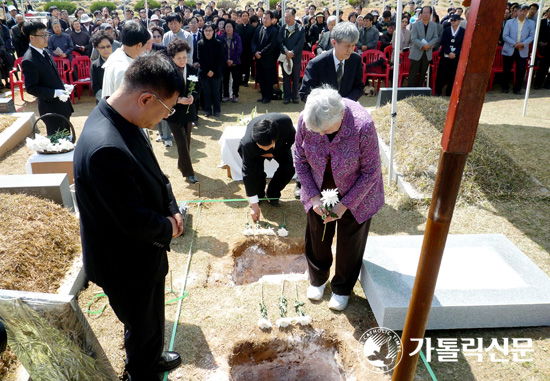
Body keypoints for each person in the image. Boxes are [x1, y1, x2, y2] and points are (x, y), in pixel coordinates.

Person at [73, 52, 184, 380]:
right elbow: (132, 219)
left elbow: (155, 174)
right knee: (141, 321)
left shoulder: (124, 118)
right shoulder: (106, 147)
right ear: (146, 98)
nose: (168, 116)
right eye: (168, 109)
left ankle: (151, 355)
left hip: (140, 254)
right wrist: (170, 227)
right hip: (125, 263)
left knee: (150, 322)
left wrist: (173, 209)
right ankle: (141, 371)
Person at [294, 86, 384, 311]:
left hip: (357, 187)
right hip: (319, 182)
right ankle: (318, 278)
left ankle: (342, 288)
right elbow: (299, 158)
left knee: (350, 239)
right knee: (317, 232)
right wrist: (314, 197)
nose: (322, 135)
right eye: (317, 131)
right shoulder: (306, 120)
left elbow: (371, 171)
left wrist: (345, 205)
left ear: (341, 115)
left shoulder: (362, 125)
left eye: (326, 130)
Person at [238, 113, 296, 220]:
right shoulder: (248, 145)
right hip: (254, 151)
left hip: (279, 148)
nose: (265, 149)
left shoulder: (285, 123)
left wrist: (275, 152)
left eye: (268, 146)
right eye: (262, 147)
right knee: (256, 172)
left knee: (288, 168)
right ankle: (259, 195)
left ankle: (273, 193)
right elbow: (248, 173)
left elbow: (292, 138)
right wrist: (254, 204)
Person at [22, 21, 73, 136]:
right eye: (42, 35)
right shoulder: (29, 60)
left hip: (62, 107)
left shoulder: (45, 52)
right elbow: (31, 88)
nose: (46, 38)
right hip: (51, 108)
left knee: (67, 139)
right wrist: (55, 93)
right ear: (32, 37)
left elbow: (51, 75)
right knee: (58, 143)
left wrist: (62, 86)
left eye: (47, 35)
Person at [300, 21, 364, 102]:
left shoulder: (355, 60)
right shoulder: (317, 64)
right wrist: (329, 105)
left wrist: (345, 102)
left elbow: (359, 87)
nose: (351, 50)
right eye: (347, 46)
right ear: (334, 42)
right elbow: (305, 93)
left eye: (353, 45)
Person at [165, 39, 199, 183]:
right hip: (173, 113)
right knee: (181, 143)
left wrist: (193, 97)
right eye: (178, 58)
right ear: (172, 58)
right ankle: (189, 172)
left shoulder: (191, 69)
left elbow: (198, 87)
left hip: (189, 112)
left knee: (187, 141)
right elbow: (164, 93)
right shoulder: (167, 72)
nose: (182, 60)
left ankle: (182, 164)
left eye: (184, 57)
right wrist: (179, 100)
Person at [102, 21, 151, 98]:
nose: (146, 50)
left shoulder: (115, 56)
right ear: (139, 45)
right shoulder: (123, 69)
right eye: (146, 46)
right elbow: (125, 102)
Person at [501, 4, 535, 94]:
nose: (522, 13)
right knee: (506, 70)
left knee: (521, 70)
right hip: (510, 49)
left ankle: (517, 89)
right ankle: (505, 87)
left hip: (522, 50)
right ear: (517, 11)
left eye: (525, 11)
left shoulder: (531, 23)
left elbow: (532, 36)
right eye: (521, 11)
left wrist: (522, 44)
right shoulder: (509, 22)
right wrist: (515, 44)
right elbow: (505, 36)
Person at [408, 6, 440, 87]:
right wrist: (423, 45)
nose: (425, 14)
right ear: (421, 14)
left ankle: (419, 93)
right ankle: (410, 93)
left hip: (427, 53)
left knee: (422, 75)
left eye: (427, 13)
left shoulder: (434, 25)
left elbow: (435, 37)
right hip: (416, 53)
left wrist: (428, 45)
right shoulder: (415, 25)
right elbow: (413, 38)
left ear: (430, 14)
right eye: (424, 13)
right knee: (413, 74)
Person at [278, 8, 305, 104]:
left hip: (296, 57)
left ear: (294, 16)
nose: (287, 19)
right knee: (285, 78)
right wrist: (286, 52)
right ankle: (286, 96)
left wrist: (292, 52)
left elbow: (301, 43)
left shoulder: (300, 28)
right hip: (285, 57)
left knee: (295, 77)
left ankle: (295, 96)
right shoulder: (282, 28)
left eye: (289, 17)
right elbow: (280, 42)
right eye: (286, 17)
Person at [252, 10, 278, 103]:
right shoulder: (259, 28)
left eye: (267, 18)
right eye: (263, 18)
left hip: (268, 59)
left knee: (268, 79)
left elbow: (272, 45)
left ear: (271, 19)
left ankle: (268, 96)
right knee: (261, 78)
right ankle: (263, 95)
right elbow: (253, 41)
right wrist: (255, 52)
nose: (265, 20)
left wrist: (261, 53)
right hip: (259, 59)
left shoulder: (274, 30)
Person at [434, 14, 464, 96]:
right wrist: (448, 52)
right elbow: (444, 43)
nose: (453, 22)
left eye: (454, 20)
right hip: (445, 56)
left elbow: (462, 44)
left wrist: (456, 53)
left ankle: (449, 92)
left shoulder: (462, 31)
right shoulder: (446, 30)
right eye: (451, 20)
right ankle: (438, 91)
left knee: (453, 75)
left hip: (456, 57)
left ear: (459, 21)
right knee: (442, 74)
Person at [198, 22, 223, 116]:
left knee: (216, 92)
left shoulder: (218, 43)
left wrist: (212, 70)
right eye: (206, 30)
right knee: (206, 92)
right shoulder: (200, 43)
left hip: (216, 72)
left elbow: (219, 59)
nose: (208, 32)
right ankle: (207, 109)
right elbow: (200, 58)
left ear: (214, 31)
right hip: (204, 72)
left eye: (210, 30)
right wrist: (207, 71)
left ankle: (217, 109)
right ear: (203, 31)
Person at [219, 19, 242, 102]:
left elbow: (239, 50)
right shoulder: (222, 38)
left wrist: (232, 60)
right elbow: (221, 51)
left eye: (230, 27)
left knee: (236, 79)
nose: (228, 28)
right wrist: (227, 60)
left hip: (235, 62)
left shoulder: (237, 37)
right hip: (225, 62)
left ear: (233, 28)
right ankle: (226, 95)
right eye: (227, 27)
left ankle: (235, 94)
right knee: (225, 79)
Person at [90, 31, 113, 102]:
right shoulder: (95, 66)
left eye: (108, 46)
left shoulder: (120, 62)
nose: (106, 49)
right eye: (102, 47)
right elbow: (95, 87)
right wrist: (106, 100)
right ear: (97, 48)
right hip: (104, 102)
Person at [236, 10, 255, 86]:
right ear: (241, 17)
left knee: (247, 66)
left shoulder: (252, 28)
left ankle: (246, 81)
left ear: (248, 17)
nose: (244, 17)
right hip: (239, 50)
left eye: (246, 16)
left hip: (248, 50)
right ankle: (240, 80)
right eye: (243, 16)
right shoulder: (237, 27)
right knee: (239, 65)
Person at [534, 7, 550, 89]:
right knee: (542, 67)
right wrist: (540, 41)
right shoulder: (541, 22)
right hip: (540, 48)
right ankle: (538, 84)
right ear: (547, 13)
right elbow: (537, 34)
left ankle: (547, 84)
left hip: (549, 48)